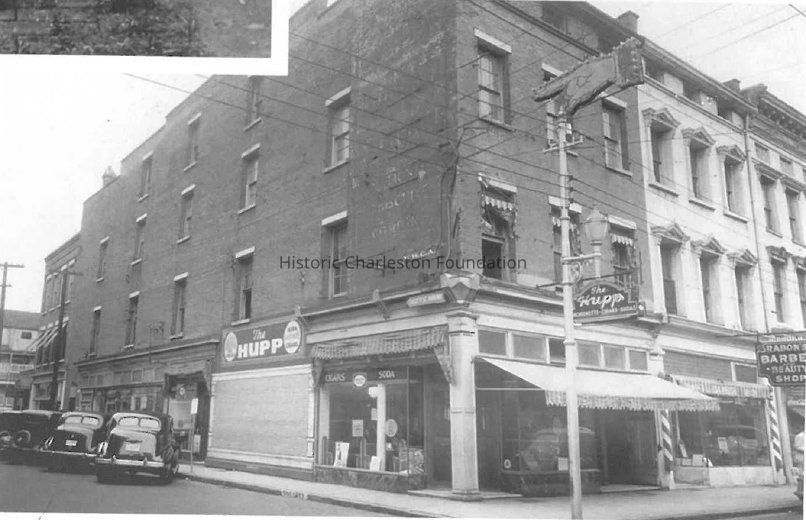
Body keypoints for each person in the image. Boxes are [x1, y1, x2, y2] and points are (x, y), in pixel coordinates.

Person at [794, 428, 804, 501]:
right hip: (801, 457)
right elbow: (797, 447)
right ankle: (801, 493)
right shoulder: (800, 436)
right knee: (801, 476)